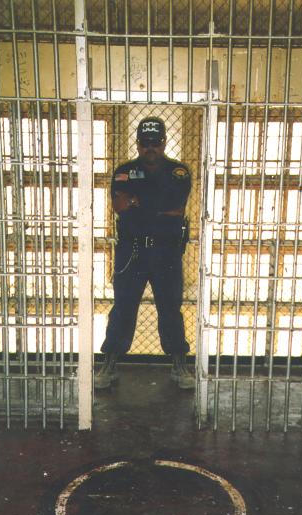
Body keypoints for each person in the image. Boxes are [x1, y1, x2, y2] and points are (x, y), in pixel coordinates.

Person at [95, 116, 195, 390]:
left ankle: (179, 366)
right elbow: (119, 205)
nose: (151, 148)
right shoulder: (124, 170)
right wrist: (153, 204)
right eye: (145, 143)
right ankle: (109, 365)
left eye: (155, 143)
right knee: (123, 309)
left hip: (166, 252)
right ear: (138, 144)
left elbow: (176, 208)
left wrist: (138, 201)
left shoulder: (179, 172)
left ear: (164, 143)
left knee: (170, 309)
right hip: (132, 252)